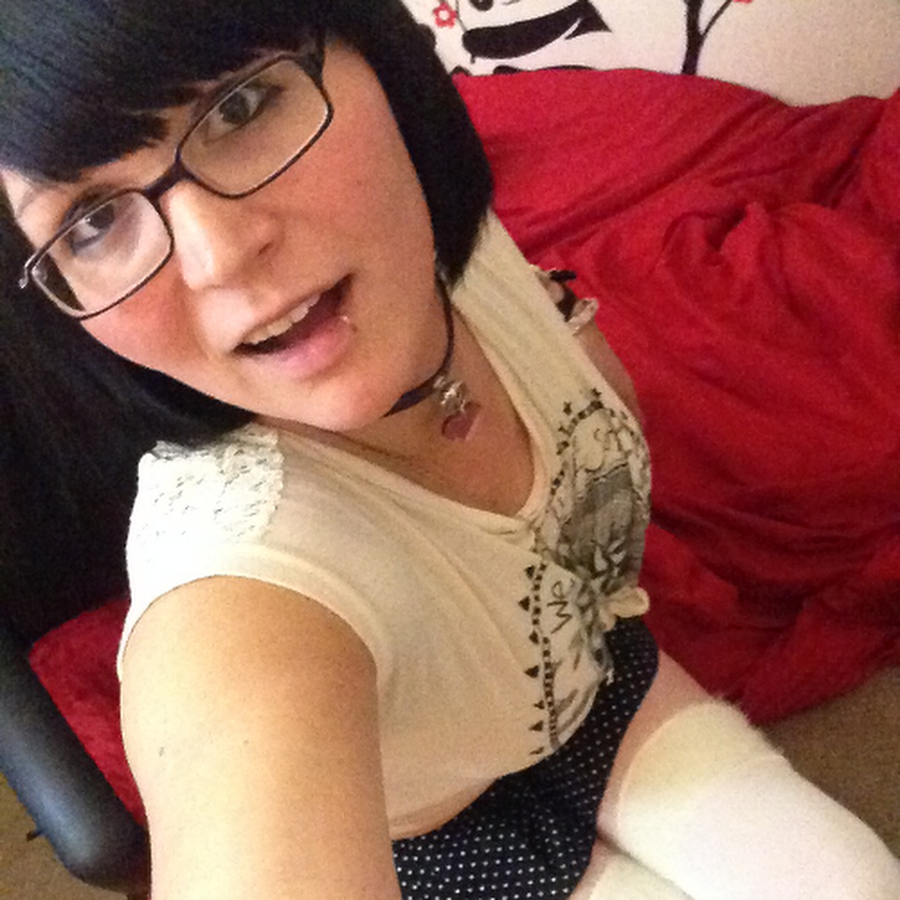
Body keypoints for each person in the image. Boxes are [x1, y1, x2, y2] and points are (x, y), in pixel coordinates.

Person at [1, 2, 898, 898]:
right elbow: (238, 734)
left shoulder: (432, 249)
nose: (219, 255)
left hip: (587, 682)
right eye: (92, 223)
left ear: (380, 60)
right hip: (430, 842)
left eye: (239, 107)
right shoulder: (238, 598)